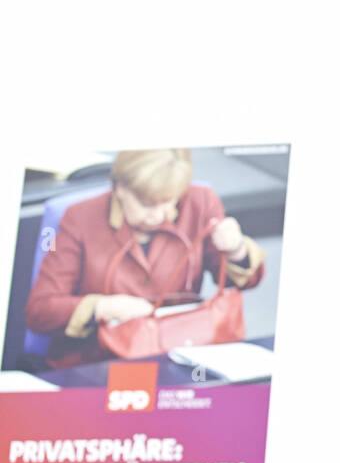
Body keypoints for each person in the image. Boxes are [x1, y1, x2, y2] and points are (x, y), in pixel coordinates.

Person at [25, 148, 267, 369]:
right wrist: (104, 307)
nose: (160, 216)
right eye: (148, 204)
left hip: (178, 351)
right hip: (101, 361)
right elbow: (40, 311)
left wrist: (236, 249)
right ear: (120, 188)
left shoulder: (200, 202)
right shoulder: (80, 218)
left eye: (169, 202)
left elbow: (245, 282)